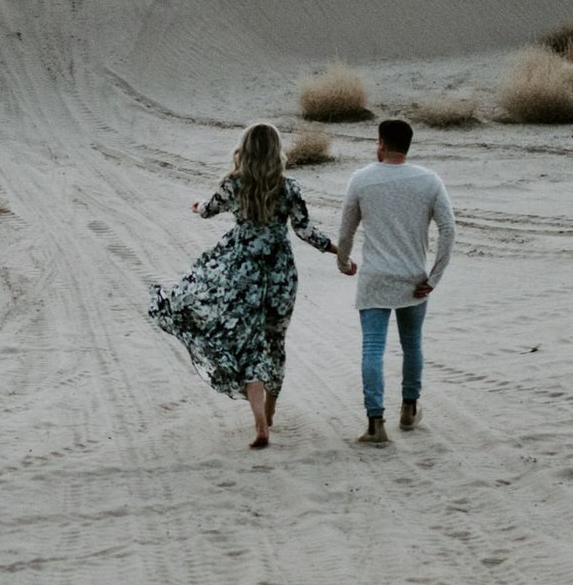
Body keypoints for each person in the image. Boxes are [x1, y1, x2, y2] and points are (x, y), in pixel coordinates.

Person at [147, 123, 336, 450]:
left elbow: (207, 211)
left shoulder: (233, 184)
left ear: (245, 150)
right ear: (277, 151)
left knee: (248, 343)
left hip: (242, 273)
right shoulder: (289, 188)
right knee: (275, 340)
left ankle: (260, 421)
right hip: (279, 273)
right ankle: (271, 411)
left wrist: (197, 207)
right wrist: (334, 249)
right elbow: (305, 231)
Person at [332, 117, 455, 446]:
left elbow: (346, 231)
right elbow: (448, 230)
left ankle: (375, 424)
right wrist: (435, 276)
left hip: (375, 279)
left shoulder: (361, 179)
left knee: (372, 348)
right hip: (414, 279)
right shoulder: (429, 181)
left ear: (382, 144)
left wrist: (343, 262)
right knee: (412, 344)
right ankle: (409, 409)